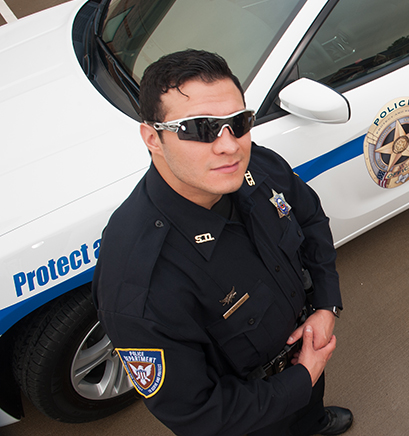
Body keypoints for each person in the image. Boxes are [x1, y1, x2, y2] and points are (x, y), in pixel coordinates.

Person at [92, 49, 352, 436]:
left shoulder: (255, 166)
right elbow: (197, 414)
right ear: (153, 138)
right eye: (200, 128)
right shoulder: (138, 282)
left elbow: (311, 219)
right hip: (252, 421)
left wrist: (326, 306)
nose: (229, 145)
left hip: (306, 366)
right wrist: (301, 378)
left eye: (239, 122)